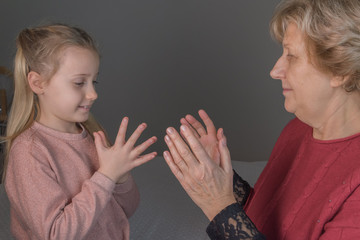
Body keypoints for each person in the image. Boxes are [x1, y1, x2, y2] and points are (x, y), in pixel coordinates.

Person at [163, 0, 360, 239]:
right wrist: (223, 180)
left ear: (341, 71)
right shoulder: (297, 129)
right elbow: (272, 217)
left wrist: (219, 207)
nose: (275, 70)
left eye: (292, 56)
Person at [3, 24, 158, 240]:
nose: (93, 94)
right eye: (79, 83)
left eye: (93, 81)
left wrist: (120, 178)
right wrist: (106, 176)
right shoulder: (29, 152)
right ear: (38, 83)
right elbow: (55, 234)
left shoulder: (94, 135)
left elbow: (125, 211)